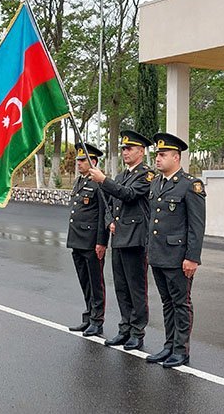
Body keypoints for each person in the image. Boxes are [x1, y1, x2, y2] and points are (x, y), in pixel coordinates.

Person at [144, 133, 206, 368]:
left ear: (176, 157)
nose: (157, 159)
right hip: (159, 255)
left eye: (162, 155)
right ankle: (169, 345)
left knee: (181, 303)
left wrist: (192, 257)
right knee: (167, 302)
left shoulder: (191, 185)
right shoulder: (157, 183)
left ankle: (181, 350)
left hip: (179, 257)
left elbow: (196, 226)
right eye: (157, 155)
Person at [88, 130, 154, 351]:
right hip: (119, 237)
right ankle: (125, 328)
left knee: (136, 288)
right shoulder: (122, 176)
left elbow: (128, 195)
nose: (125, 152)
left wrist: (103, 179)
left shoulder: (146, 175)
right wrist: (110, 222)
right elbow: (110, 205)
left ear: (141, 152)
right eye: (123, 149)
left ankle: (137, 332)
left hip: (135, 239)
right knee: (121, 287)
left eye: (130, 149)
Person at [66, 143, 109, 338]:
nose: (79, 163)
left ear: (94, 161)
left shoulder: (98, 183)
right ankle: (88, 317)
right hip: (77, 240)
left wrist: (101, 242)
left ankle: (97, 321)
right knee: (85, 282)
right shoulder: (79, 181)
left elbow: (103, 215)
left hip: (92, 242)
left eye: (83, 160)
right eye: (78, 160)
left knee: (96, 282)